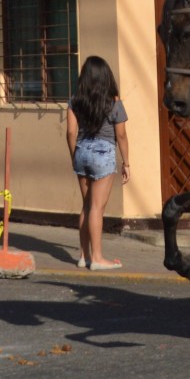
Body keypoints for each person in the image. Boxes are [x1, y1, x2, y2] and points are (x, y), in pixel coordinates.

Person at [66, 55, 130, 269]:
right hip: (103, 153)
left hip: (81, 151)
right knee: (96, 208)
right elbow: (121, 135)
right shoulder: (113, 102)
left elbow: (70, 132)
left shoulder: (76, 100)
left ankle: (84, 256)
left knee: (86, 206)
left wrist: (74, 154)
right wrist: (126, 163)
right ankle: (98, 258)